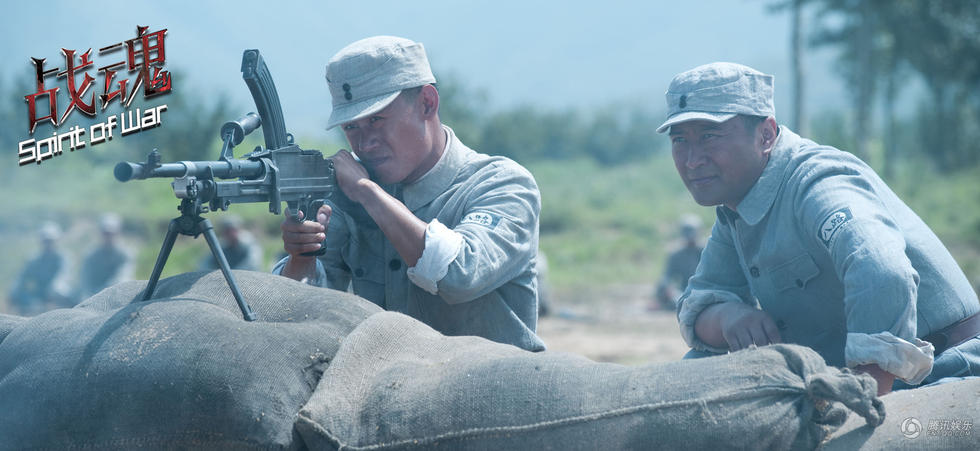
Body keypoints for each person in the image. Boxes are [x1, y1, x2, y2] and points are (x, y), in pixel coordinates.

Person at [660, 62, 980, 395]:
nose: (692, 160)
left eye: (709, 137)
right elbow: (697, 305)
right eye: (680, 140)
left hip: (943, 369)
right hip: (847, 377)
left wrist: (864, 401)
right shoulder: (736, 208)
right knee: (696, 373)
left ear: (766, 135)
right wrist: (729, 318)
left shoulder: (818, 184)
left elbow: (882, 271)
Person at [274, 36, 544, 351]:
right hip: (388, 377)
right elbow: (294, 310)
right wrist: (302, 256)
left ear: (427, 103)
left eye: (376, 120)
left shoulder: (502, 184)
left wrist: (368, 193)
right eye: (351, 127)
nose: (364, 143)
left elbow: (457, 274)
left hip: (493, 380)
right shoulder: (348, 196)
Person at [8, 221, 73, 315]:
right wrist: (14, 291)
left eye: (50, 241)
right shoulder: (34, 260)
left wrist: (53, 290)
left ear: (57, 241)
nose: (48, 244)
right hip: (40, 295)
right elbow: (22, 278)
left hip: (59, 294)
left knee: (59, 291)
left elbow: (62, 277)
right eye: (45, 241)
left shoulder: (62, 258)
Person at [652, 214, 704, 311]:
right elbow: (667, 276)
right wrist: (668, 288)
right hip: (683, 291)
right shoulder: (676, 255)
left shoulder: (706, 251)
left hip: (704, 290)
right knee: (666, 290)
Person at [78, 213, 134, 299]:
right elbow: (85, 281)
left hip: (116, 296)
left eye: (111, 233)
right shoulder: (91, 255)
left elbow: (122, 278)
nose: (108, 236)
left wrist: (103, 294)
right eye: (105, 233)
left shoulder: (124, 255)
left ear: (118, 233)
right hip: (92, 297)